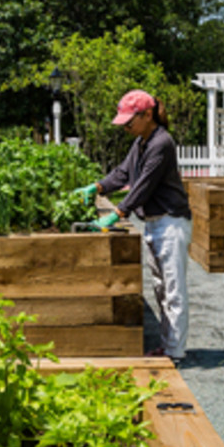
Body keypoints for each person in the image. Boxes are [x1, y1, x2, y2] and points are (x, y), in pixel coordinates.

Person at [75, 89, 191, 361]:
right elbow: (123, 173)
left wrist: (117, 213)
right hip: (153, 222)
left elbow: (143, 186)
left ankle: (175, 352)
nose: (126, 126)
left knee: (174, 290)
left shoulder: (161, 143)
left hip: (171, 222)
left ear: (147, 115)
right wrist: (97, 186)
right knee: (161, 288)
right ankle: (168, 345)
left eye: (129, 121)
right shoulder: (140, 142)